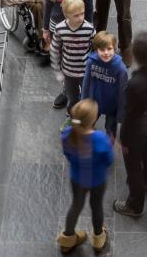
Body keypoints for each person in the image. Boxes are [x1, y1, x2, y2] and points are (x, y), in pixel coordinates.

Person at [113, 33, 147, 218]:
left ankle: (134, 205)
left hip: (136, 126)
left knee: (133, 166)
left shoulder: (134, 84)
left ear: (135, 55)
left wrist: (122, 140)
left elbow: (129, 114)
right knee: (146, 147)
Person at [58, 98, 112, 254]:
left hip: (77, 179)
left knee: (75, 205)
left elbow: (67, 154)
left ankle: (68, 239)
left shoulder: (67, 134)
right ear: (93, 120)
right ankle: (97, 238)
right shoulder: (101, 140)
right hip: (97, 180)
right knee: (96, 207)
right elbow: (108, 160)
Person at [44, 0, 95, 74]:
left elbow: (89, 9)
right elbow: (47, 8)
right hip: (57, 25)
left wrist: (89, 27)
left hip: (78, 25)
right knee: (59, 49)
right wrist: (45, 29)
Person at [51, 0, 96, 112]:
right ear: (66, 15)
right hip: (68, 71)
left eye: (82, 13)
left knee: (87, 95)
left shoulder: (89, 29)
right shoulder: (60, 29)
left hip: (85, 71)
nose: (81, 18)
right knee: (72, 97)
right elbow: (55, 50)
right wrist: (57, 71)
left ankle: (85, 115)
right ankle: (71, 114)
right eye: (76, 15)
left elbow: (96, 48)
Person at [81, 32, 128, 138]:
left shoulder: (120, 69)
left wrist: (120, 114)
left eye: (109, 49)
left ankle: (107, 148)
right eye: (102, 50)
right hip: (93, 102)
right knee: (87, 125)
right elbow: (86, 83)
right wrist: (83, 102)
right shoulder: (91, 62)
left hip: (112, 106)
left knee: (110, 130)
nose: (106, 53)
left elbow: (123, 93)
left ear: (114, 48)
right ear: (96, 49)